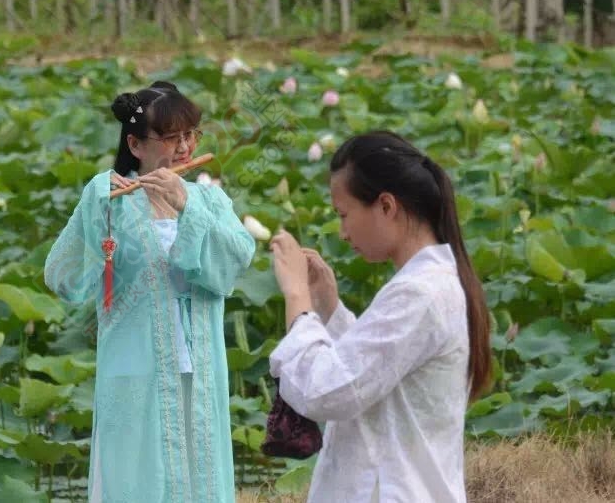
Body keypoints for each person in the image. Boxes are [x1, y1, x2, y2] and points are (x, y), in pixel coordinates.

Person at [44, 81, 255, 503]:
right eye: (171, 137)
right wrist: (92, 211)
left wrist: (186, 207)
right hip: (134, 373)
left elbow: (235, 261)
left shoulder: (210, 201)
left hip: (199, 370)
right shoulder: (110, 200)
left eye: (190, 135)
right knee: (135, 480)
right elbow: (62, 277)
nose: (184, 147)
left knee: (199, 475)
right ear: (136, 145)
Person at [268, 130, 491, 502]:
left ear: (386, 206)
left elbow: (328, 392)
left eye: (344, 215)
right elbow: (377, 370)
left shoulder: (419, 292)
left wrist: (297, 299)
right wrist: (329, 308)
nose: (342, 232)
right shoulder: (430, 282)